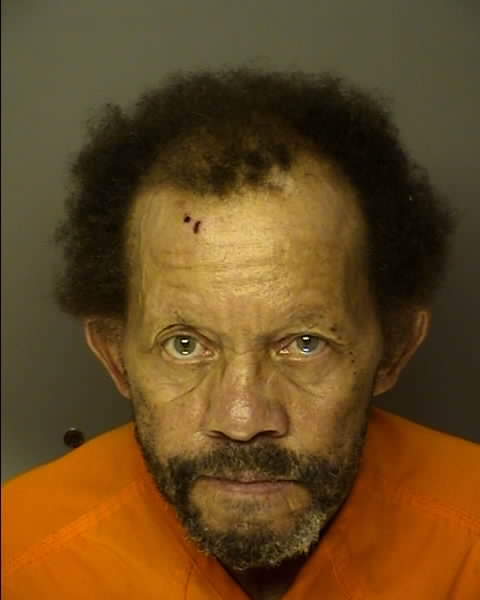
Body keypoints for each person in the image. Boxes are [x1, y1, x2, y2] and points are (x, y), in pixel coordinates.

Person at [2, 67, 479, 600]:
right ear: (116, 359)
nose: (242, 420)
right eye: (185, 344)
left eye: (305, 343)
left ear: (392, 349)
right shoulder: (16, 558)